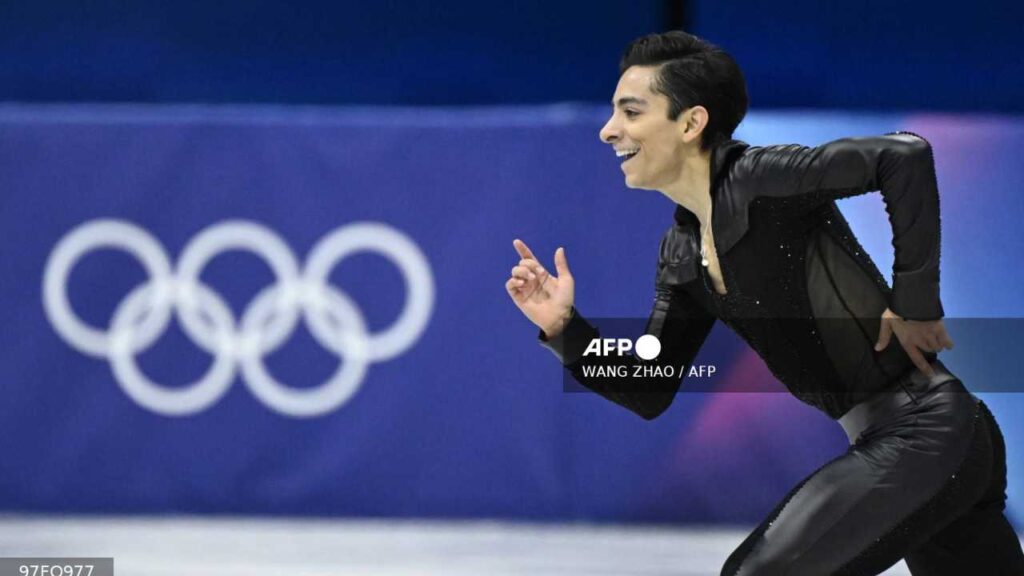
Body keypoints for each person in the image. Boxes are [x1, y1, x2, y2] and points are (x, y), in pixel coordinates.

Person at [505, 31, 1024, 575]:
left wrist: (916, 302)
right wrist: (566, 329)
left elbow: (904, 158)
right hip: (936, 442)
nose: (609, 130)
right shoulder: (682, 251)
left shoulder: (760, 178)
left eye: (631, 112)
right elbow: (649, 386)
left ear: (690, 123)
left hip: (925, 432)